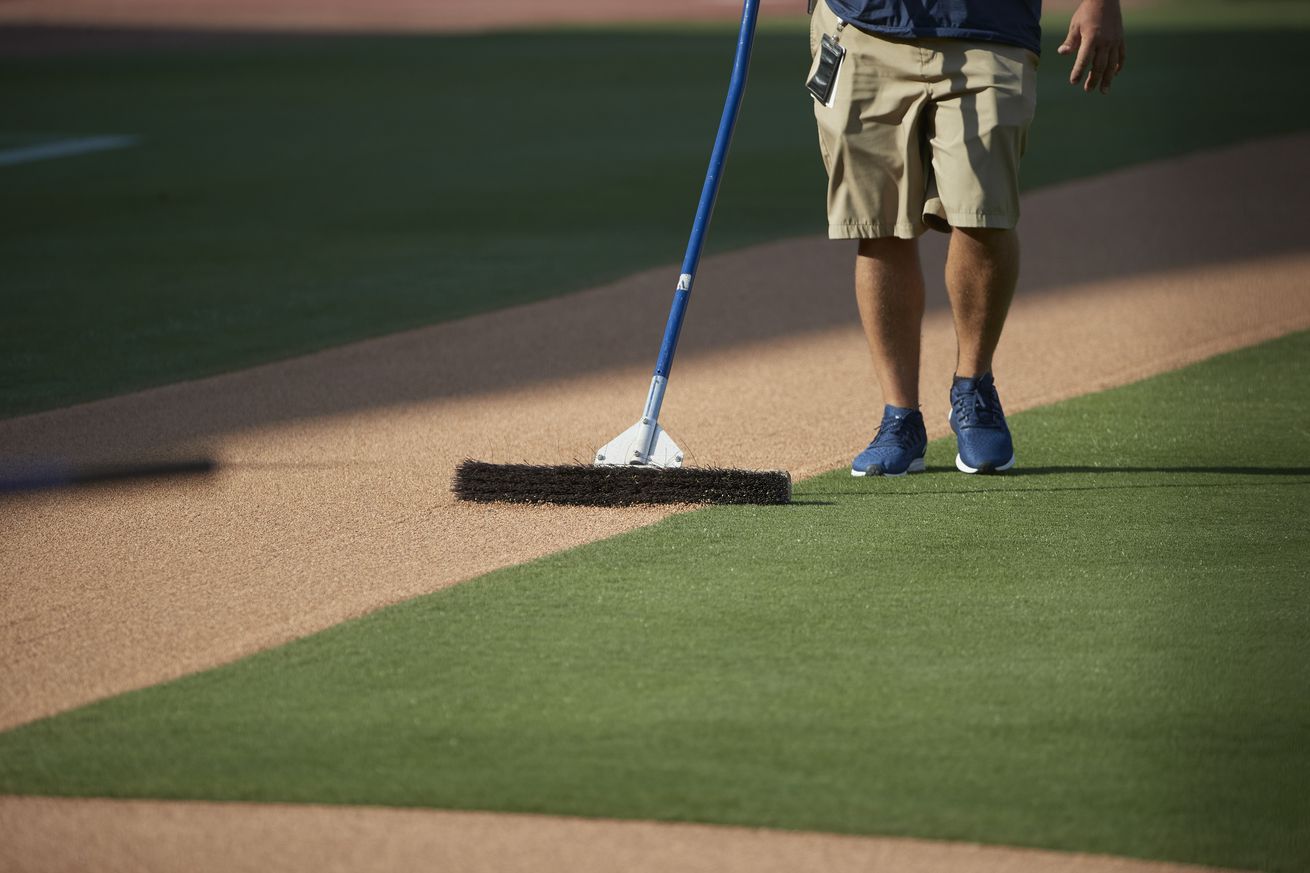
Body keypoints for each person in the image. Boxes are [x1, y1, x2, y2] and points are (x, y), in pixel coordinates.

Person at [806, 0, 1125, 476]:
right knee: (879, 225)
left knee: (984, 215)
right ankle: (900, 418)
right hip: (862, 26)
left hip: (989, 26)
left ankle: (973, 390)